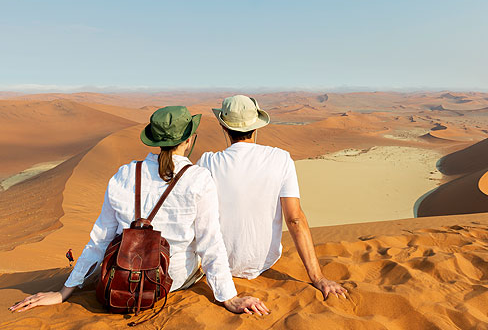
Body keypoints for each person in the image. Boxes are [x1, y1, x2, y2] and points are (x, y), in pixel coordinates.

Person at [10, 106, 269, 316]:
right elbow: (210, 243)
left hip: (123, 277)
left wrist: (64, 291)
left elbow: (100, 238)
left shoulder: (124, 174)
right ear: (189, 140)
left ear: (154, 140)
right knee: (198, 254)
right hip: (170, 281)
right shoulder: (199, 179)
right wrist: (229, 297)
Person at [198, 95, 347, 299]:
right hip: (264, 263)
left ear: (224, 127)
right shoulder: (281, 159)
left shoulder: (207, 162)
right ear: (256, 127)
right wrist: (318, 278)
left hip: (219, 265)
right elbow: (294, 219)